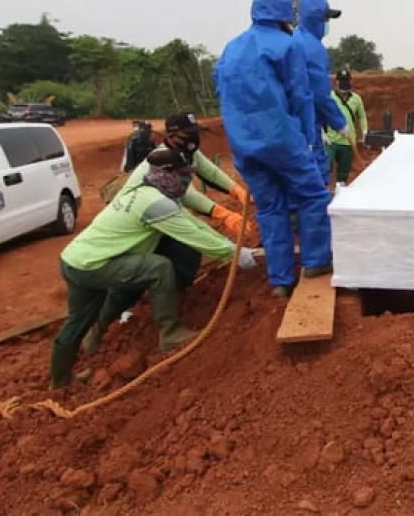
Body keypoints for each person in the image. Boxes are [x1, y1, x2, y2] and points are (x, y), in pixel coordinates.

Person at [50, 148, 259, 388]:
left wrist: (232, 245)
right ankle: (170, 333)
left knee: (77, 320)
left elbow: (191, 223)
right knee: (159, 268)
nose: (186, 181)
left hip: (74, 260)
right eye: (183, 176)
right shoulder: (156, 204)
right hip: (94, 265)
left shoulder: (144, 191)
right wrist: (236, 254)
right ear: (168, 174)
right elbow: (194, 235)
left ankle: (59, 380)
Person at [216, 0, 335, 297]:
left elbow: (224, 95)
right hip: (281, 139)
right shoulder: (286, 45)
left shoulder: (231, 48)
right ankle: (316, 261)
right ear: (285, 16)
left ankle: (280, 281)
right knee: (312, 196)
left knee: (270, 209)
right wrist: (309, 139)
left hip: (244, 146)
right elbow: (301, 94)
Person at [113, 112, 254, 290]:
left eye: (195, 133)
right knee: (182, 250)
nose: (193, 139)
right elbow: (187, 194)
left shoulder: (187, 151)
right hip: (144, 216)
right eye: (187, 135)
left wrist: (237, 191)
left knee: (186, 254)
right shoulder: (161, 160)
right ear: (171, 136)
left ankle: (175, 291)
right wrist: (222, 214)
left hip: (165, 213)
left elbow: (210, 172)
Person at [291, 0, 349, 184]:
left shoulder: (292, 38)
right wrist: (339, 123)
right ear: (317, 19)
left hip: (290, 126)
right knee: (314, 182)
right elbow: (320, 95)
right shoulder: (312, 48)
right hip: (305, 128)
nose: (327, 24)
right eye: (326, 19)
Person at [326, 68, 368, 185]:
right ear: (336, 82)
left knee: (344, 173)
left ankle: (340, 191)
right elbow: (320, 113)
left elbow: (362, 117)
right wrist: (322, 133)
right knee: (326, 164)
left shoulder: (356, 99)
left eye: (346, 80)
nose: (344, 82)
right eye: (341, 80)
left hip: (348, 142)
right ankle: (323, 190)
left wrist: (364, 131)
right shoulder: (329, 97)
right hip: (331, 140)